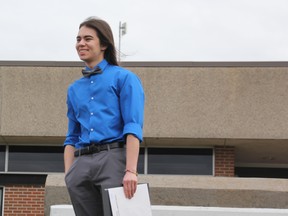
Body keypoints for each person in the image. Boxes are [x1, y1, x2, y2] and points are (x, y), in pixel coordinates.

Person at [64, 17, 145, 216]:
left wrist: (131, 171)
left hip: (113, 159)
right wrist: (69, 175)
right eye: (78, 39)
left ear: (104, 45)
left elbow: (133, 126)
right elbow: (71, 136)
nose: (81, 43)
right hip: (81, 163)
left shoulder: (124, 78)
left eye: (88, 38)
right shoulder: (74, 89)